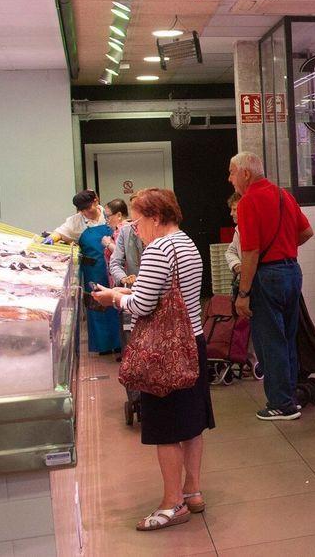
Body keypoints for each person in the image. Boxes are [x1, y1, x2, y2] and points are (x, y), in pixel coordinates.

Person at [91, 188, 214, 532]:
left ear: (156, 218)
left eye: (138, 220)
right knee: (191, 423)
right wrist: (125, 292)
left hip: (165, 352)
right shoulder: (185, 242)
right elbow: (163, 294)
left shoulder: (158, 249)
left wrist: (113, 299)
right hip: (192, 342)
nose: (134, 227)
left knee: (165, 430)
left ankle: (171, 503)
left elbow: (143, 305)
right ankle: (193, 491)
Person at [228, 152, 314, 421]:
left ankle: (280, 404)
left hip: (267, 277)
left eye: (231, 172)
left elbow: (250, 252)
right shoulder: (283, 195)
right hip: (292, 272)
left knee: (269, 341)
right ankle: (289, 398)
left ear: (245, 173)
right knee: (287, 338)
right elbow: (307, 232)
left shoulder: (247, 202)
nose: (229, 179)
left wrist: (243, 293)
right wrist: (284, 248)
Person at [80, 205, 121, 356]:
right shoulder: (75, 223)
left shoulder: (113, 223)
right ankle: (102, 345)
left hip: (111, 272)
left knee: (115, 306)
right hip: (93, 273)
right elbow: (60, 232)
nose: (86, 211)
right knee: (96, 307)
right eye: (82, 209)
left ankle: (119, 343)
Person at [107, 198, 144, 289]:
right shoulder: (125, 230)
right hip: (132, 289)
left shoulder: (160, 233)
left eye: (108, 216)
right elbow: (115, 262)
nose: (107, 220)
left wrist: (108, 244)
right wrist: (123, 278)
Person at [224, 193, 242, 291]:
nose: (231, 213)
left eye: (234, 209)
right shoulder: (238, 231)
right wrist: (236, 264)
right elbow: (230, 251)